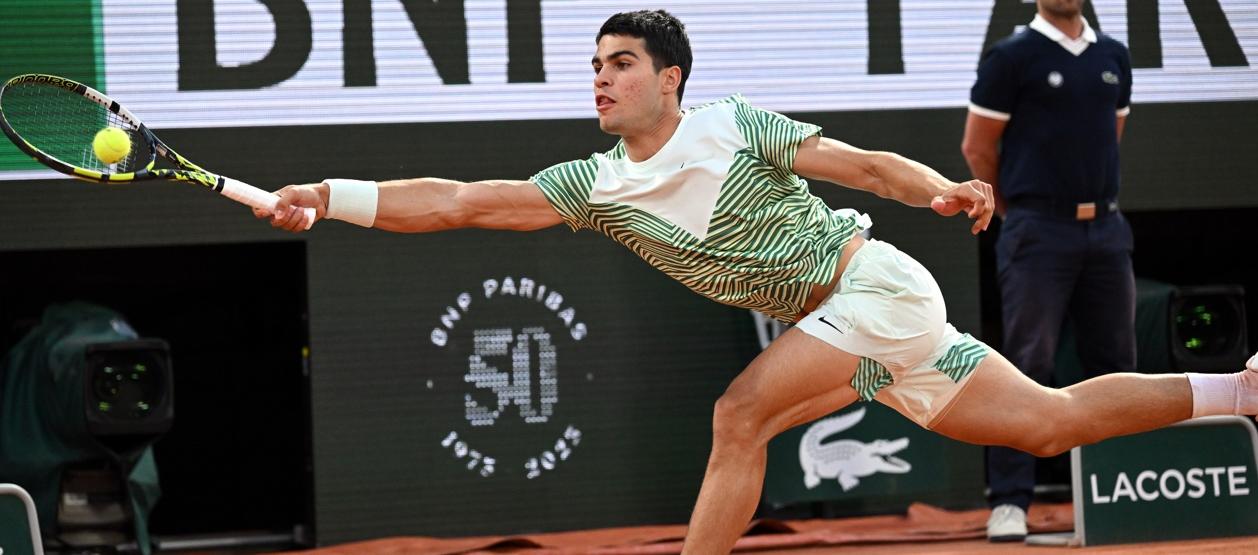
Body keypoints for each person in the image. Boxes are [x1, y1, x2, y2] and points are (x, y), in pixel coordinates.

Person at [258, 10, 1258, 555]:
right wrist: (328, 193)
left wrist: (940, 188)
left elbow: (863, 166)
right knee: (1047, 421)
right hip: (857, 326)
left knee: (738, 417)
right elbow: (459, 202)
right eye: (594, 65)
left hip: (871, 287)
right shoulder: (593, 185)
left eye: (620, 63)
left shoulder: (731, 126)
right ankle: (1237, 393)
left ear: (670, 79)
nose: (600, 79)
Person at [961, 0, 1137, 541]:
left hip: (1106, 229)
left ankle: (1119, 491)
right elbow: (977, 148)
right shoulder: (1011, 57)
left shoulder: (1114, 55)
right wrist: (1025, 213)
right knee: (1025, 363)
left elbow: (1113, 134)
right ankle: (1011, 501)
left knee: (1115, 365)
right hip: (1037, 230)